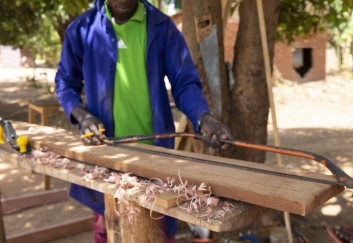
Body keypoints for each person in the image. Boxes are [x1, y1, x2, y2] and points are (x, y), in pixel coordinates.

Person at [54, 0, 234, 242]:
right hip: (105, 155)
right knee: (107, 228)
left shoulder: (162, 27)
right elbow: (65, 83)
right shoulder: (83, 28)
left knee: (156, 231)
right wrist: (82, 114)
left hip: (155, 159)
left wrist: (203, 117)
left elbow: (185, 83)